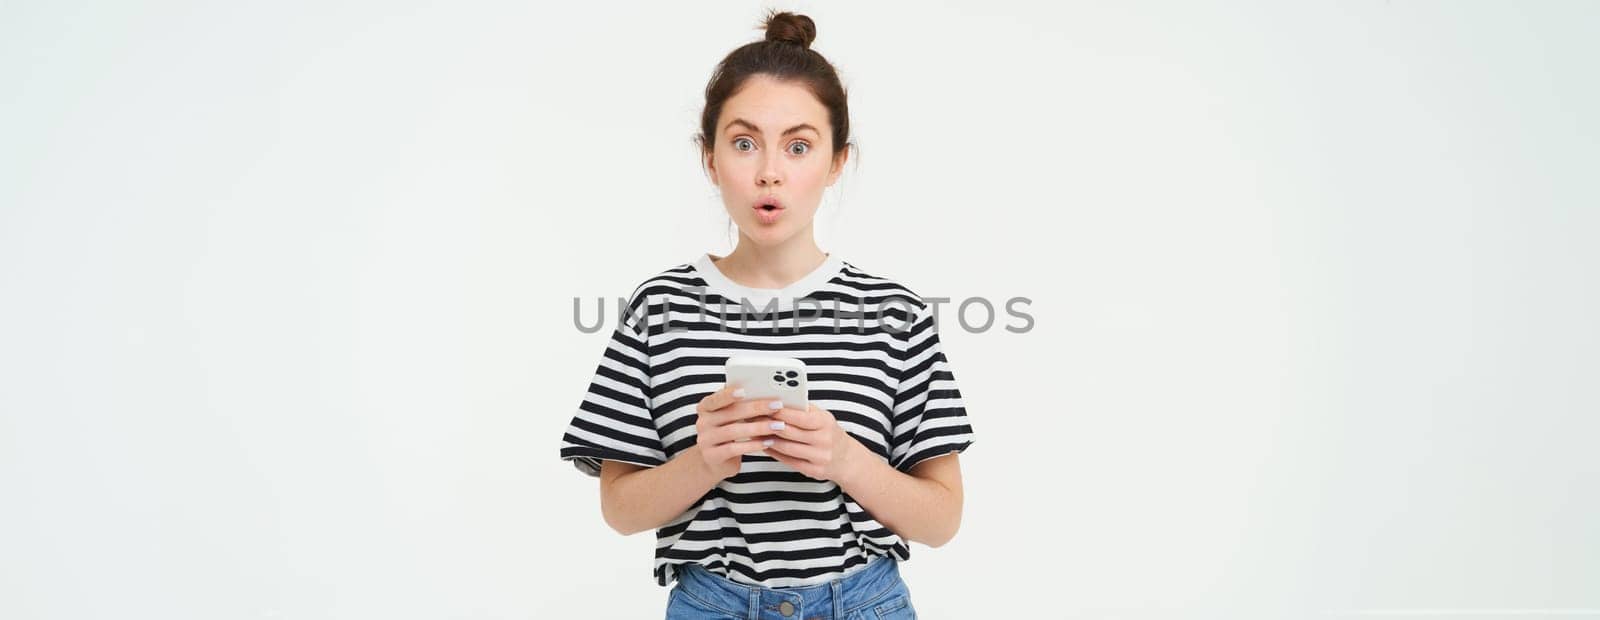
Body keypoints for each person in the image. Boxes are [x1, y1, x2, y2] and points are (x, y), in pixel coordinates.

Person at [558, 10, 976, 619]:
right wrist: (706, 459)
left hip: (863, 603)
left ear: (837, 162)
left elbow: (942, 520)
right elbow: (619, 508)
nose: (769, 171)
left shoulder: (896, 314)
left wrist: (844, 459)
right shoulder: (659, 310)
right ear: (710, 158)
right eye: (744, 142)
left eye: (799, 145)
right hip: (712, 604)